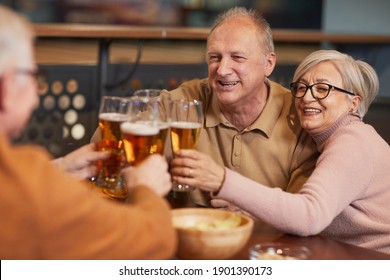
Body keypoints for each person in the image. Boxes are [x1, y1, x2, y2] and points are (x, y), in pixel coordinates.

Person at [0, 5, 176, 259]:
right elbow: (154, 240)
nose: (36, 95)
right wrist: (145, 189)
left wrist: (60, 170)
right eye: (33, 75)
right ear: (7, 87)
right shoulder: (29, 185)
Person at [175, 49, 390, 254]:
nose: (307, 98)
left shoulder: (352, 141)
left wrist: (223, 180)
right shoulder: (338, 139)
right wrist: (248, 208)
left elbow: (309, 216)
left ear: (353, 103)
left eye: (323, 89)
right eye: (302, 87)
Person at [164, 7, 319, 207]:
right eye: (215, 57)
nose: (222, 70)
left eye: (237, 57)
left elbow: (305, 212)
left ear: (269, 64)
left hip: (272, 238)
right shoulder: (186, 101)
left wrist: (250, 207)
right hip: (191, 234)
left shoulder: (300, 116)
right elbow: (130, 127)